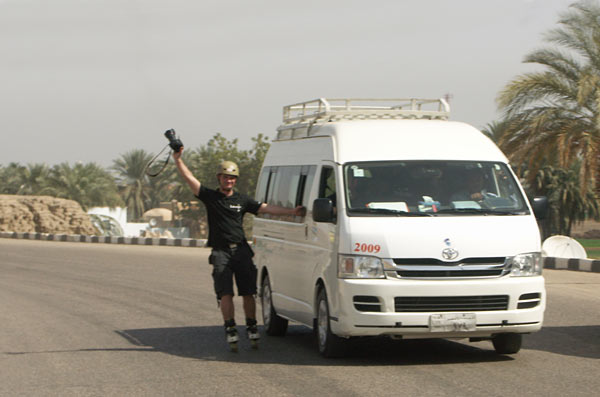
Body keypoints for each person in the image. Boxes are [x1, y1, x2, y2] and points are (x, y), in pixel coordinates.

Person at [173, 147, 305, 350]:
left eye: (232, 178)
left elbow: (265, 208)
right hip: (221, 252)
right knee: (225, 293)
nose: (229, 181)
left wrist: (292, 212)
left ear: (236, 180)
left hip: (241, 250)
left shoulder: (242, 200)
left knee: (248, 292)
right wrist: (178, 159)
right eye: (225, 177)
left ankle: (251, 325)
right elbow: (189, 178)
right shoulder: (210, 197)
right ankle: (230, 327)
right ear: (219, 178)